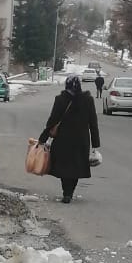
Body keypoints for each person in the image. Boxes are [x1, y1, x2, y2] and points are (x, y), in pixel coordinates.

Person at [38, 73, 101, 203]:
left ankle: (66, 192)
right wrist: (95, 144)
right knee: (75, 168)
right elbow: (93, 123)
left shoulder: (60, 99)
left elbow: (52, 120)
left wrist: (43, 138)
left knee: (63, 167)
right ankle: (70, 192)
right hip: (81, 141)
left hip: (63, 140)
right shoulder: (88, 100)